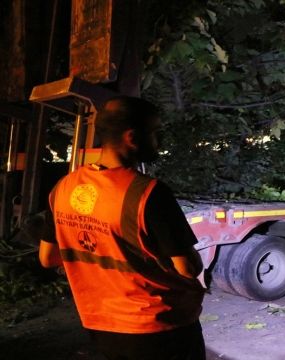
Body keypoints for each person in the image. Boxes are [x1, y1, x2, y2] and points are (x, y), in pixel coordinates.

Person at [39, 96, 206, 360]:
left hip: (101, 325)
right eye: (155, 132)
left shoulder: (64, 187)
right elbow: (189, 268)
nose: (159, 140)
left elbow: (48, 259)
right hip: (159, 326)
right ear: (132, 137)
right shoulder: (149, 193)